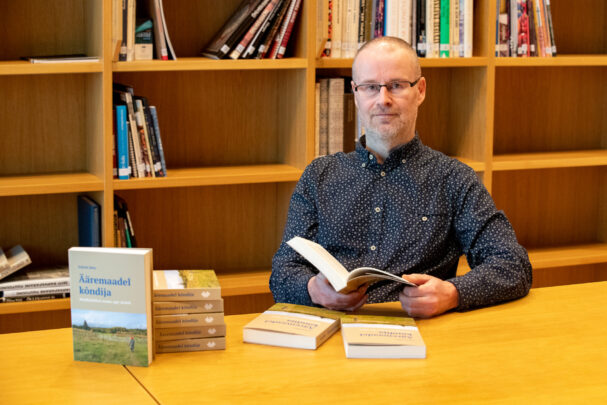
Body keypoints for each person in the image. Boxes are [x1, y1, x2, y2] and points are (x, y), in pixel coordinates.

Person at [270, 36, 532, 318]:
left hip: (421, 330)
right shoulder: (319, 176)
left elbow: (513, 265)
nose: (383, 99)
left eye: (396, 85)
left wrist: (452, 293)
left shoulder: (454, 179)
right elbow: (283, 272)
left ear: (420, 90)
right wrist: (313, 289)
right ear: (356, 94)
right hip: (334, 330)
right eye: (370, 87)